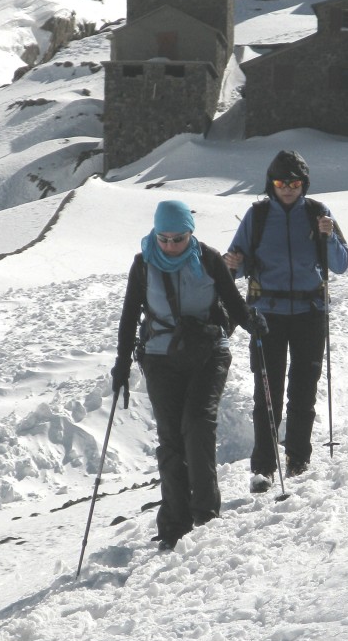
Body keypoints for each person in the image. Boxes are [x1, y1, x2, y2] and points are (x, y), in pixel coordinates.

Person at [111, 199, 264, 551]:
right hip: (160, 356)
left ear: (189, 233)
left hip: (208, 353)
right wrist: (121, 364)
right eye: (163, 238)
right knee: (171, 439)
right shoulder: (143, 264)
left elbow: (233, 302)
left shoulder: (209, 259)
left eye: (177, 239)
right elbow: (129, 314)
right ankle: (174, 524)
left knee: (197, 424)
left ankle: (206, 514)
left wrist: (252, 322)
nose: (169, 245)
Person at [224, 150, 348, 493]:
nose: (288, 188)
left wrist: (329, 236)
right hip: (268, 317)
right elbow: (235, 263)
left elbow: (340, 264)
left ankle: (298, 459)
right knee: (267, 393)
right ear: (272, 184)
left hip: (309, 313)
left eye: (294, 182)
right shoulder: (258, 215)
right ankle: (263, 467)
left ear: (303, 184)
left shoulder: (318, 214)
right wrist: (232, 262)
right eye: (282, 182)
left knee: (303, 390)